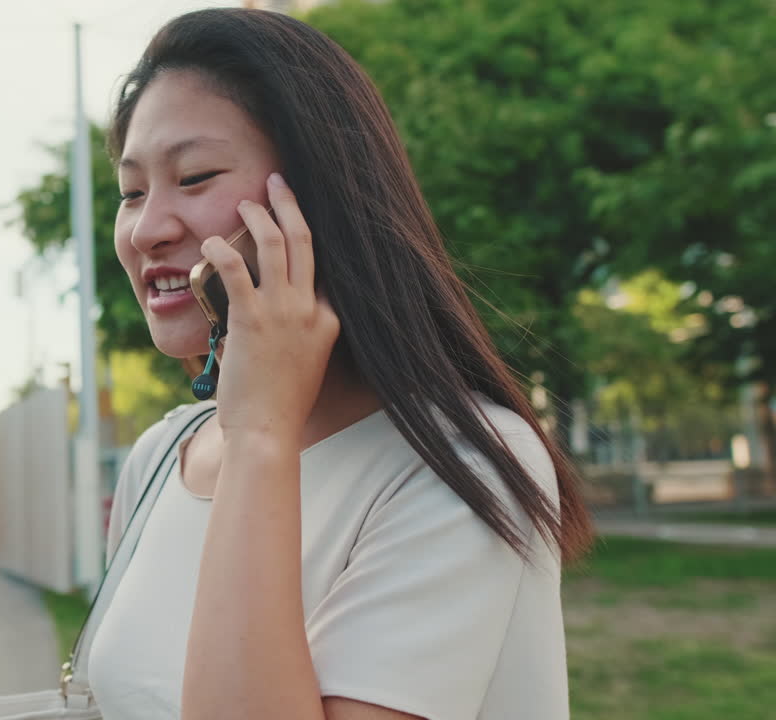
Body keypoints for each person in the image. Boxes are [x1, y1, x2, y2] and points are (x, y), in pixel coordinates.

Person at [87, 9, 593, 720]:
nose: (147, 229)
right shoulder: (161, 457)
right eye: (131, 192)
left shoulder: (456, 465)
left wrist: (262, 433)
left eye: (194, 177)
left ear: (318, 200)